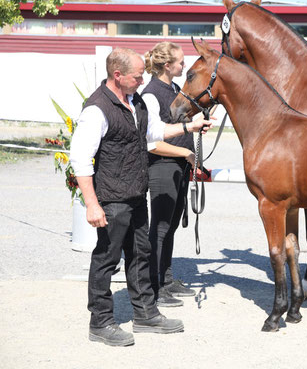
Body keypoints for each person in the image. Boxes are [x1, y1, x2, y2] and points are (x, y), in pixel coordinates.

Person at [70, 47, 212, 347]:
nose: (142, 79)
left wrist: (190, 125)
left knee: (141, 254)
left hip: (136, 194)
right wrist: (92, 204)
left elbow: (154, 133)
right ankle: (101, 322)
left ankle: (145, 313)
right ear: (118, 75)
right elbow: (80, 158)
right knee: (106, 259)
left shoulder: (135, 102)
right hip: (111, 196)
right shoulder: (97, 109)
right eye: (137, 76)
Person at [142, 42, 196, 307]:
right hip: (163, 166)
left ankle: (167, 278)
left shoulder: (174, 90)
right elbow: (152, 141)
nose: (184, 65)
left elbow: (182, 123)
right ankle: (155, 285)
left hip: (179, 167)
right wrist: (185, 148)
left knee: (171, 226)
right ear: (167, 65)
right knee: (160, 227)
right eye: (180, 61)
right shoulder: (151, 94)